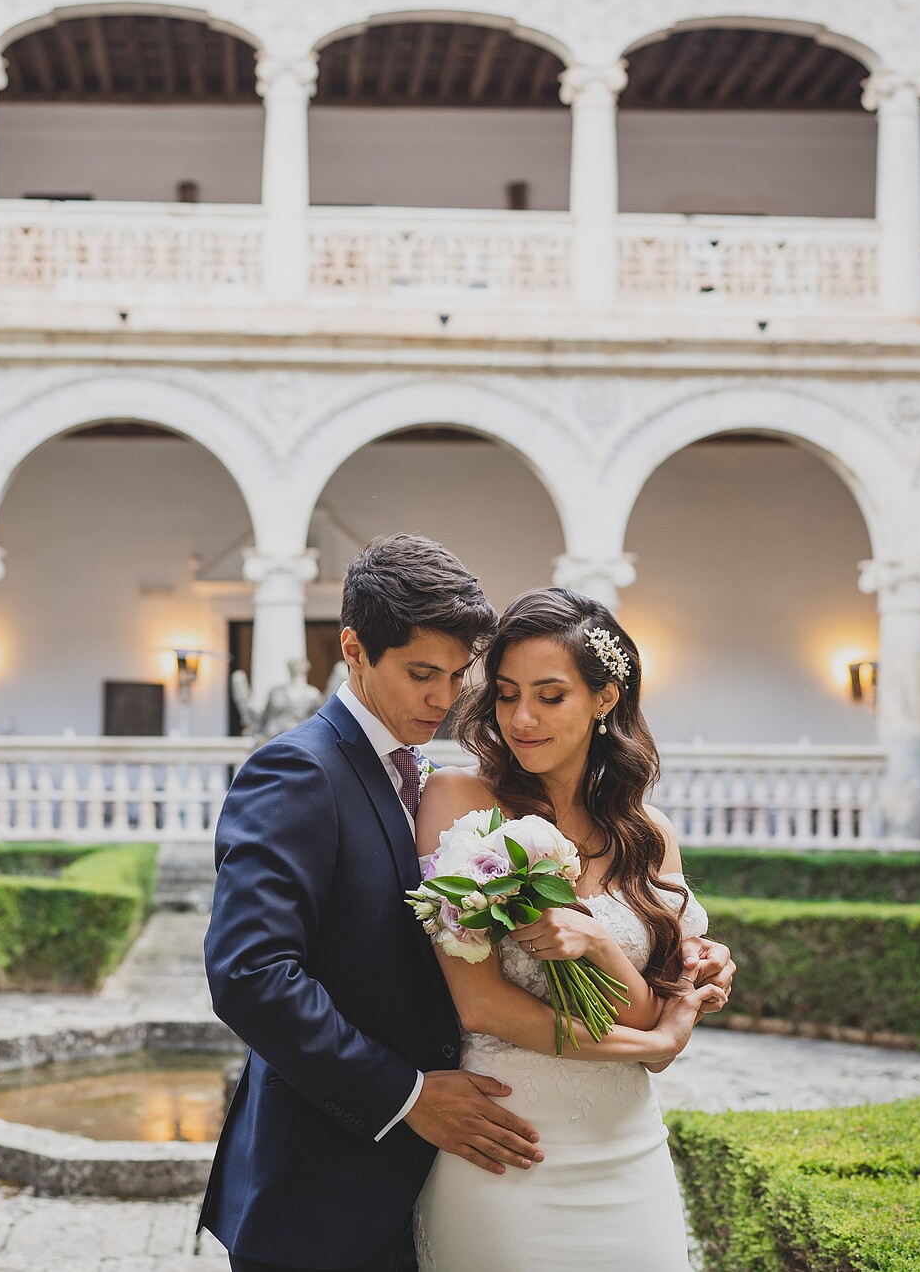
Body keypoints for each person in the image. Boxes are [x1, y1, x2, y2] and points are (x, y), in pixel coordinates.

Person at [202, 538, 734, 1272]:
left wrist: (658, 961)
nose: (444, 700)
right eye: (424, 675)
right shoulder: (298, 769)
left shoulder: (428, 777)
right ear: (352, 650)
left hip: (512, 1150)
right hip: (330, 1181)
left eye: (456, 676)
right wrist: (409, 1095)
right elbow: (250, 977)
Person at [413, 587, 723, 1271]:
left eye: (550, 696)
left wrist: (601, 944)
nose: (521, 718)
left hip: (630, 1149)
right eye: (506, 693)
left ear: (605, 698)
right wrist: (657, 1040)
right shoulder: (459, 801)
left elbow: (646, 1016)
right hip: (506, 1143)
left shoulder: (649, 835)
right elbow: (482, 1003)